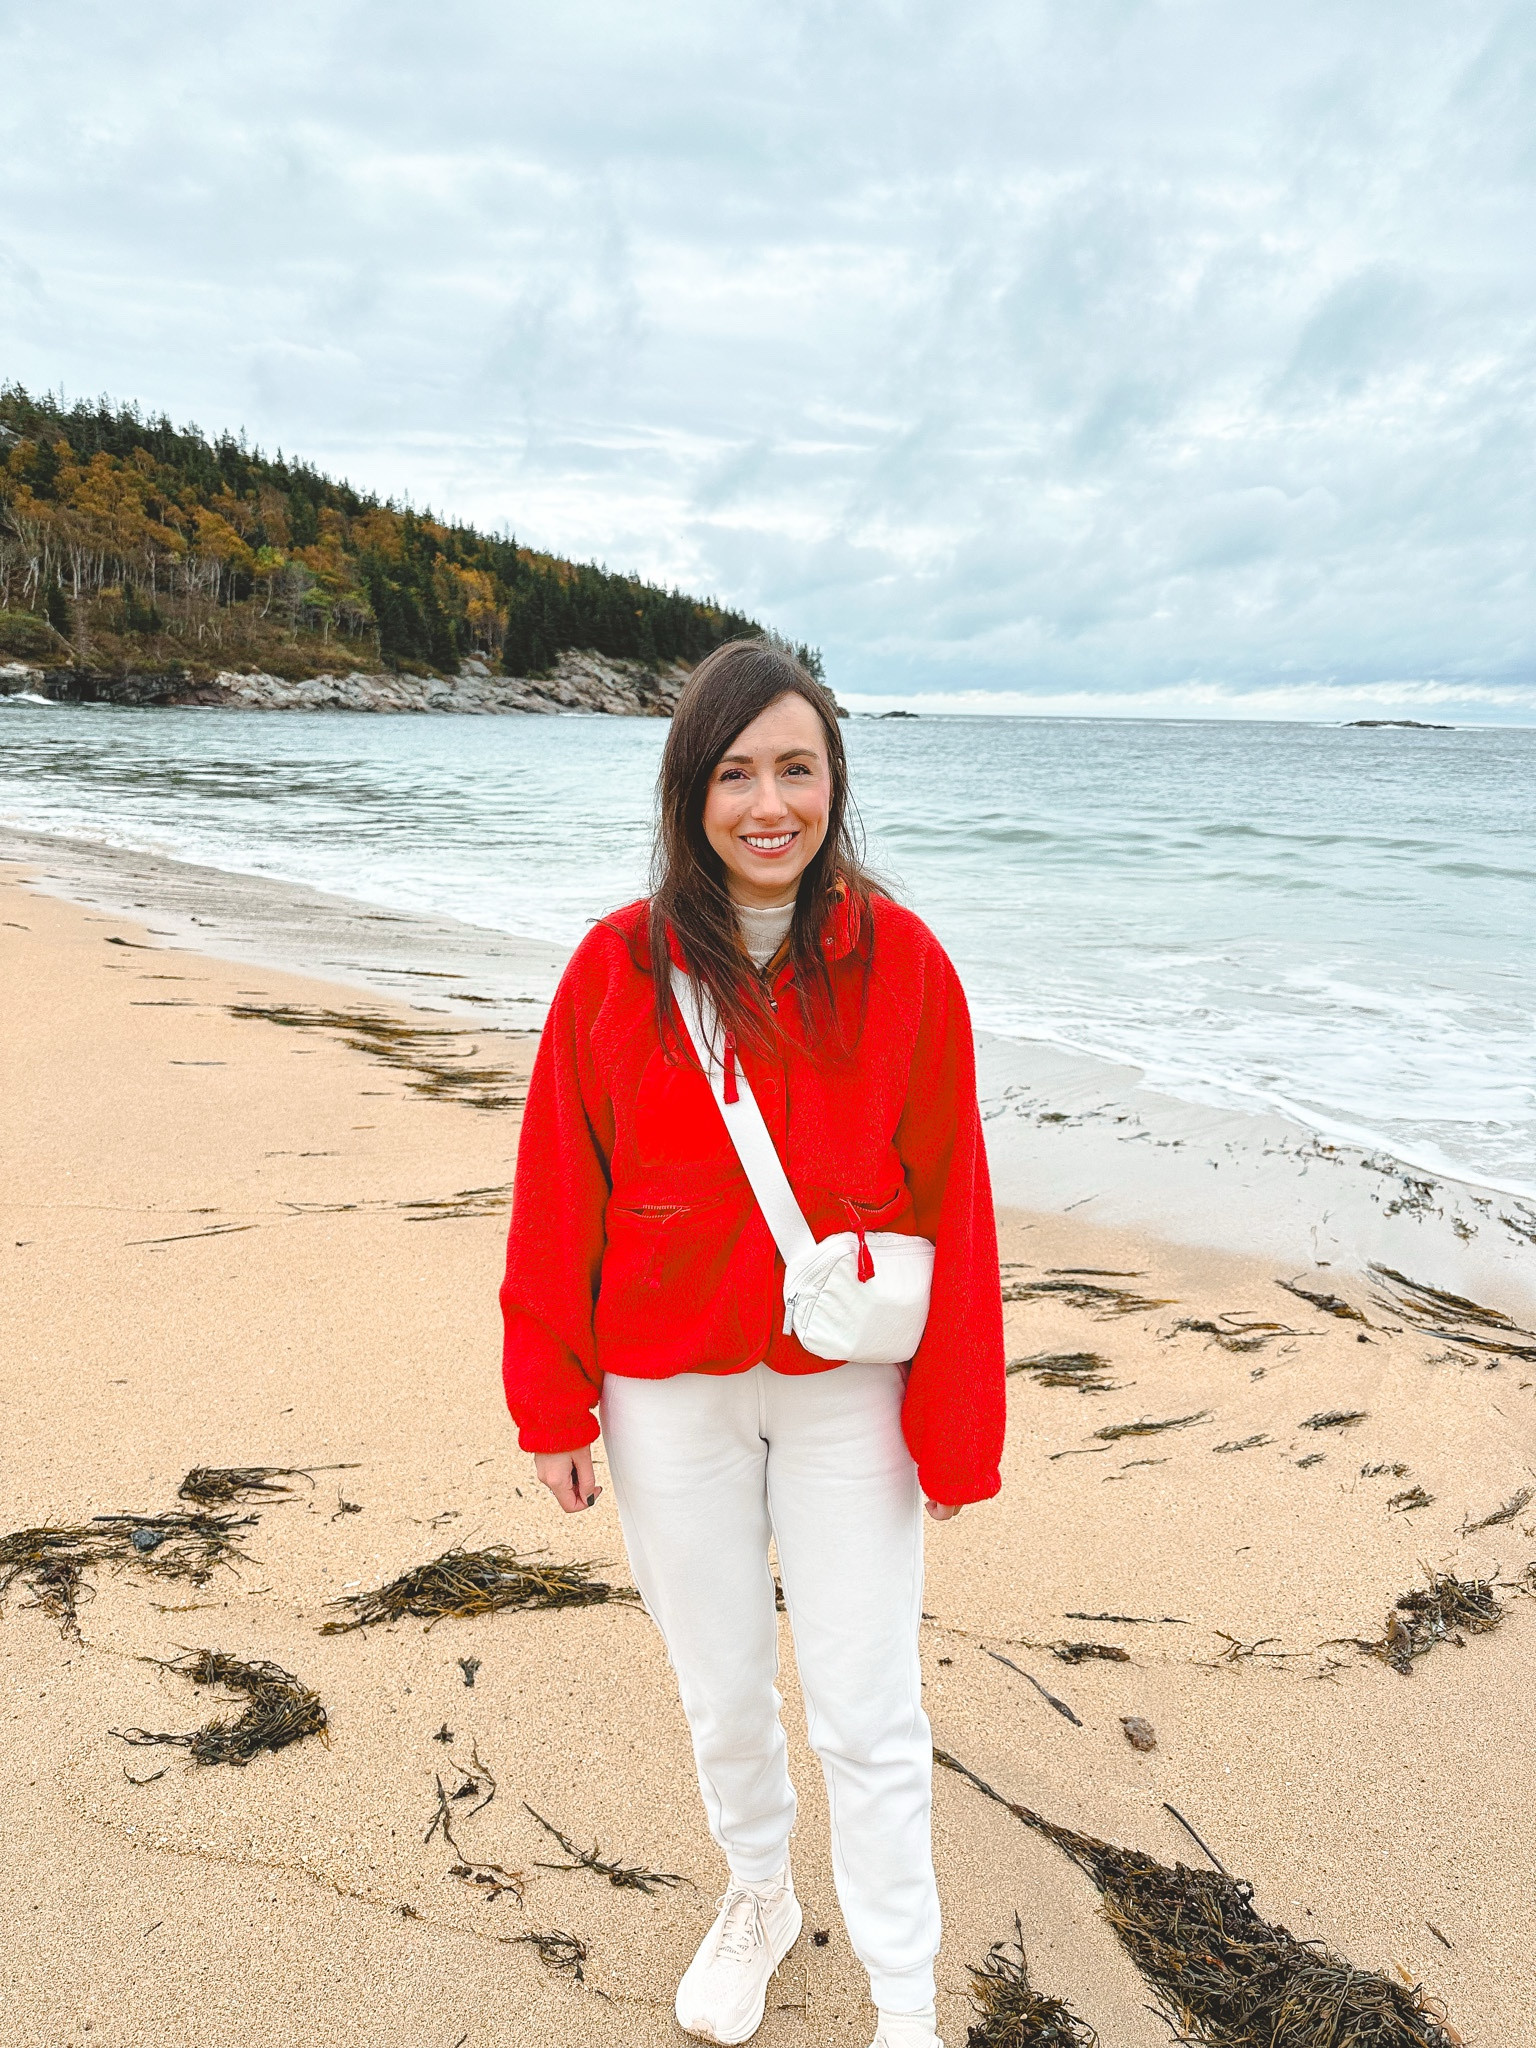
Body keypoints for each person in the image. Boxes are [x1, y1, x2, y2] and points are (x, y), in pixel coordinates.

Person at [500, 639, 1005, 2048]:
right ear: (690, 792)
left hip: (846, 1389)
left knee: (868, 1705)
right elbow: (559, 1188)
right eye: (736, 773)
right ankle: (760, 1895)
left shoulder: (904, 962)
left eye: (797, 768)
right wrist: (551, 1401)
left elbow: (953, 1202)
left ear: (835, 784)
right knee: (722, 1688)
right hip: (666, 1392)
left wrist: (959, 1429)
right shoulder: (618, 967)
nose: (768, 803)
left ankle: (906, 2000)